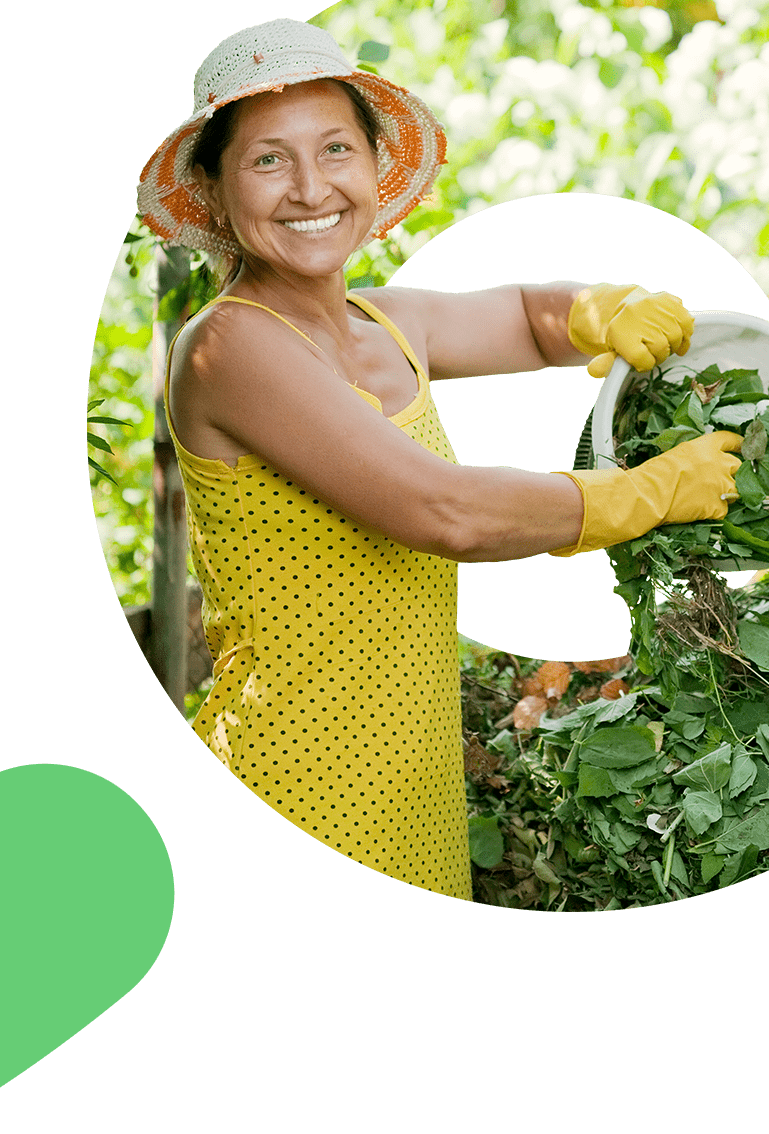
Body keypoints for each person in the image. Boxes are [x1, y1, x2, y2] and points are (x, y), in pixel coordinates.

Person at [135, 19, 743, 900]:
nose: (311, 187)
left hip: (411, 789)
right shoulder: (229, 349)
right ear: (216, 190)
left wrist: (599, 310)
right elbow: (445, 512)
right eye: (269, 159)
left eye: (336, 148)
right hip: (296, 788)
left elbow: (529, 316)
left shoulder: (386, 321)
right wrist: (642, 495)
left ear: (374, 167)